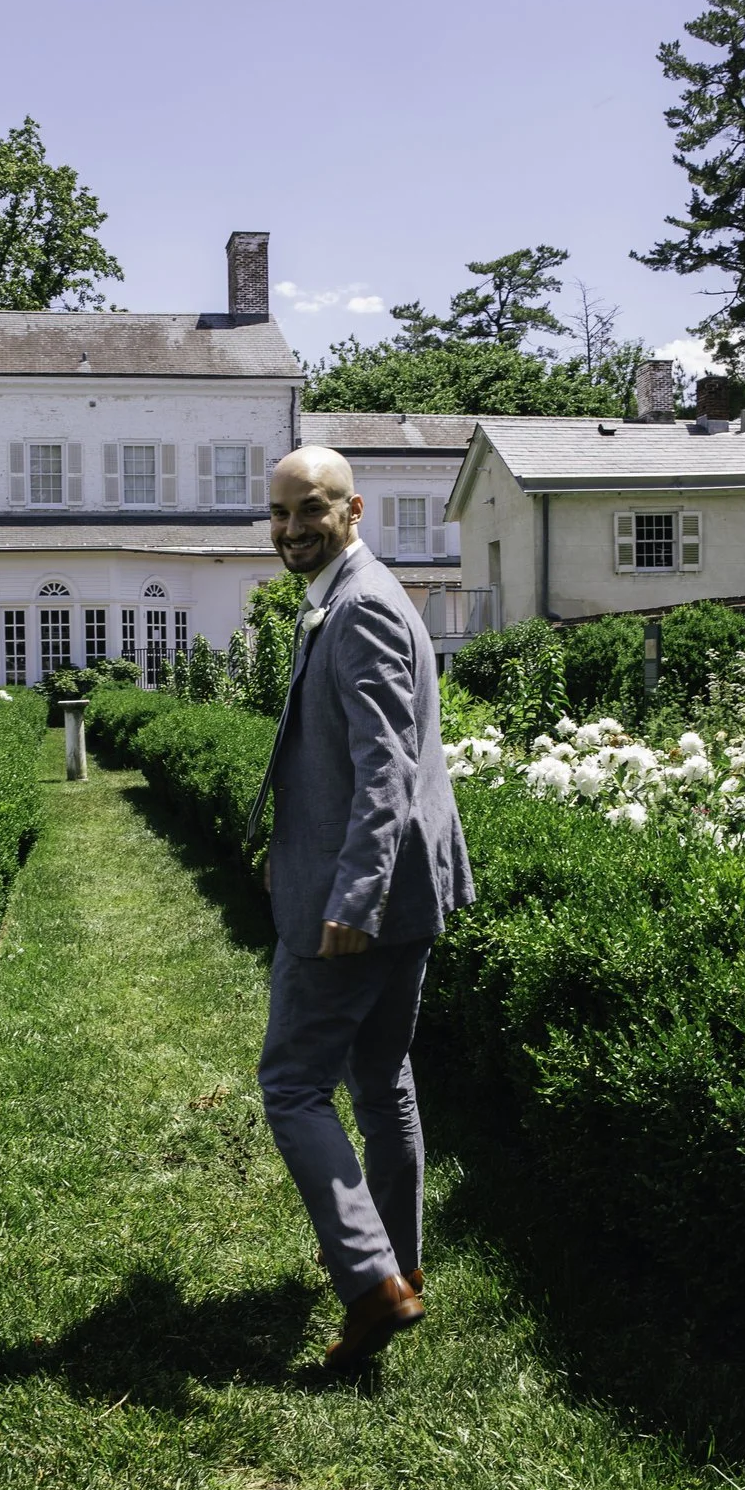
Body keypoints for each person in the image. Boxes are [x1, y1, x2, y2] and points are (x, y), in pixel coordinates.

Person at [246, 445, 475, 1368]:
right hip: (395, 889)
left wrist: (353, 894)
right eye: (278, 513)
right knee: (382, 1082)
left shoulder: (365, 607)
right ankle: (402, 1268)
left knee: (294, 1085)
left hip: (365, 897)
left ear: (354, 508)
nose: (291, 527)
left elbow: (388, 770)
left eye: (311, 509)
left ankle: (373, 1280)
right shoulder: (350, 596)